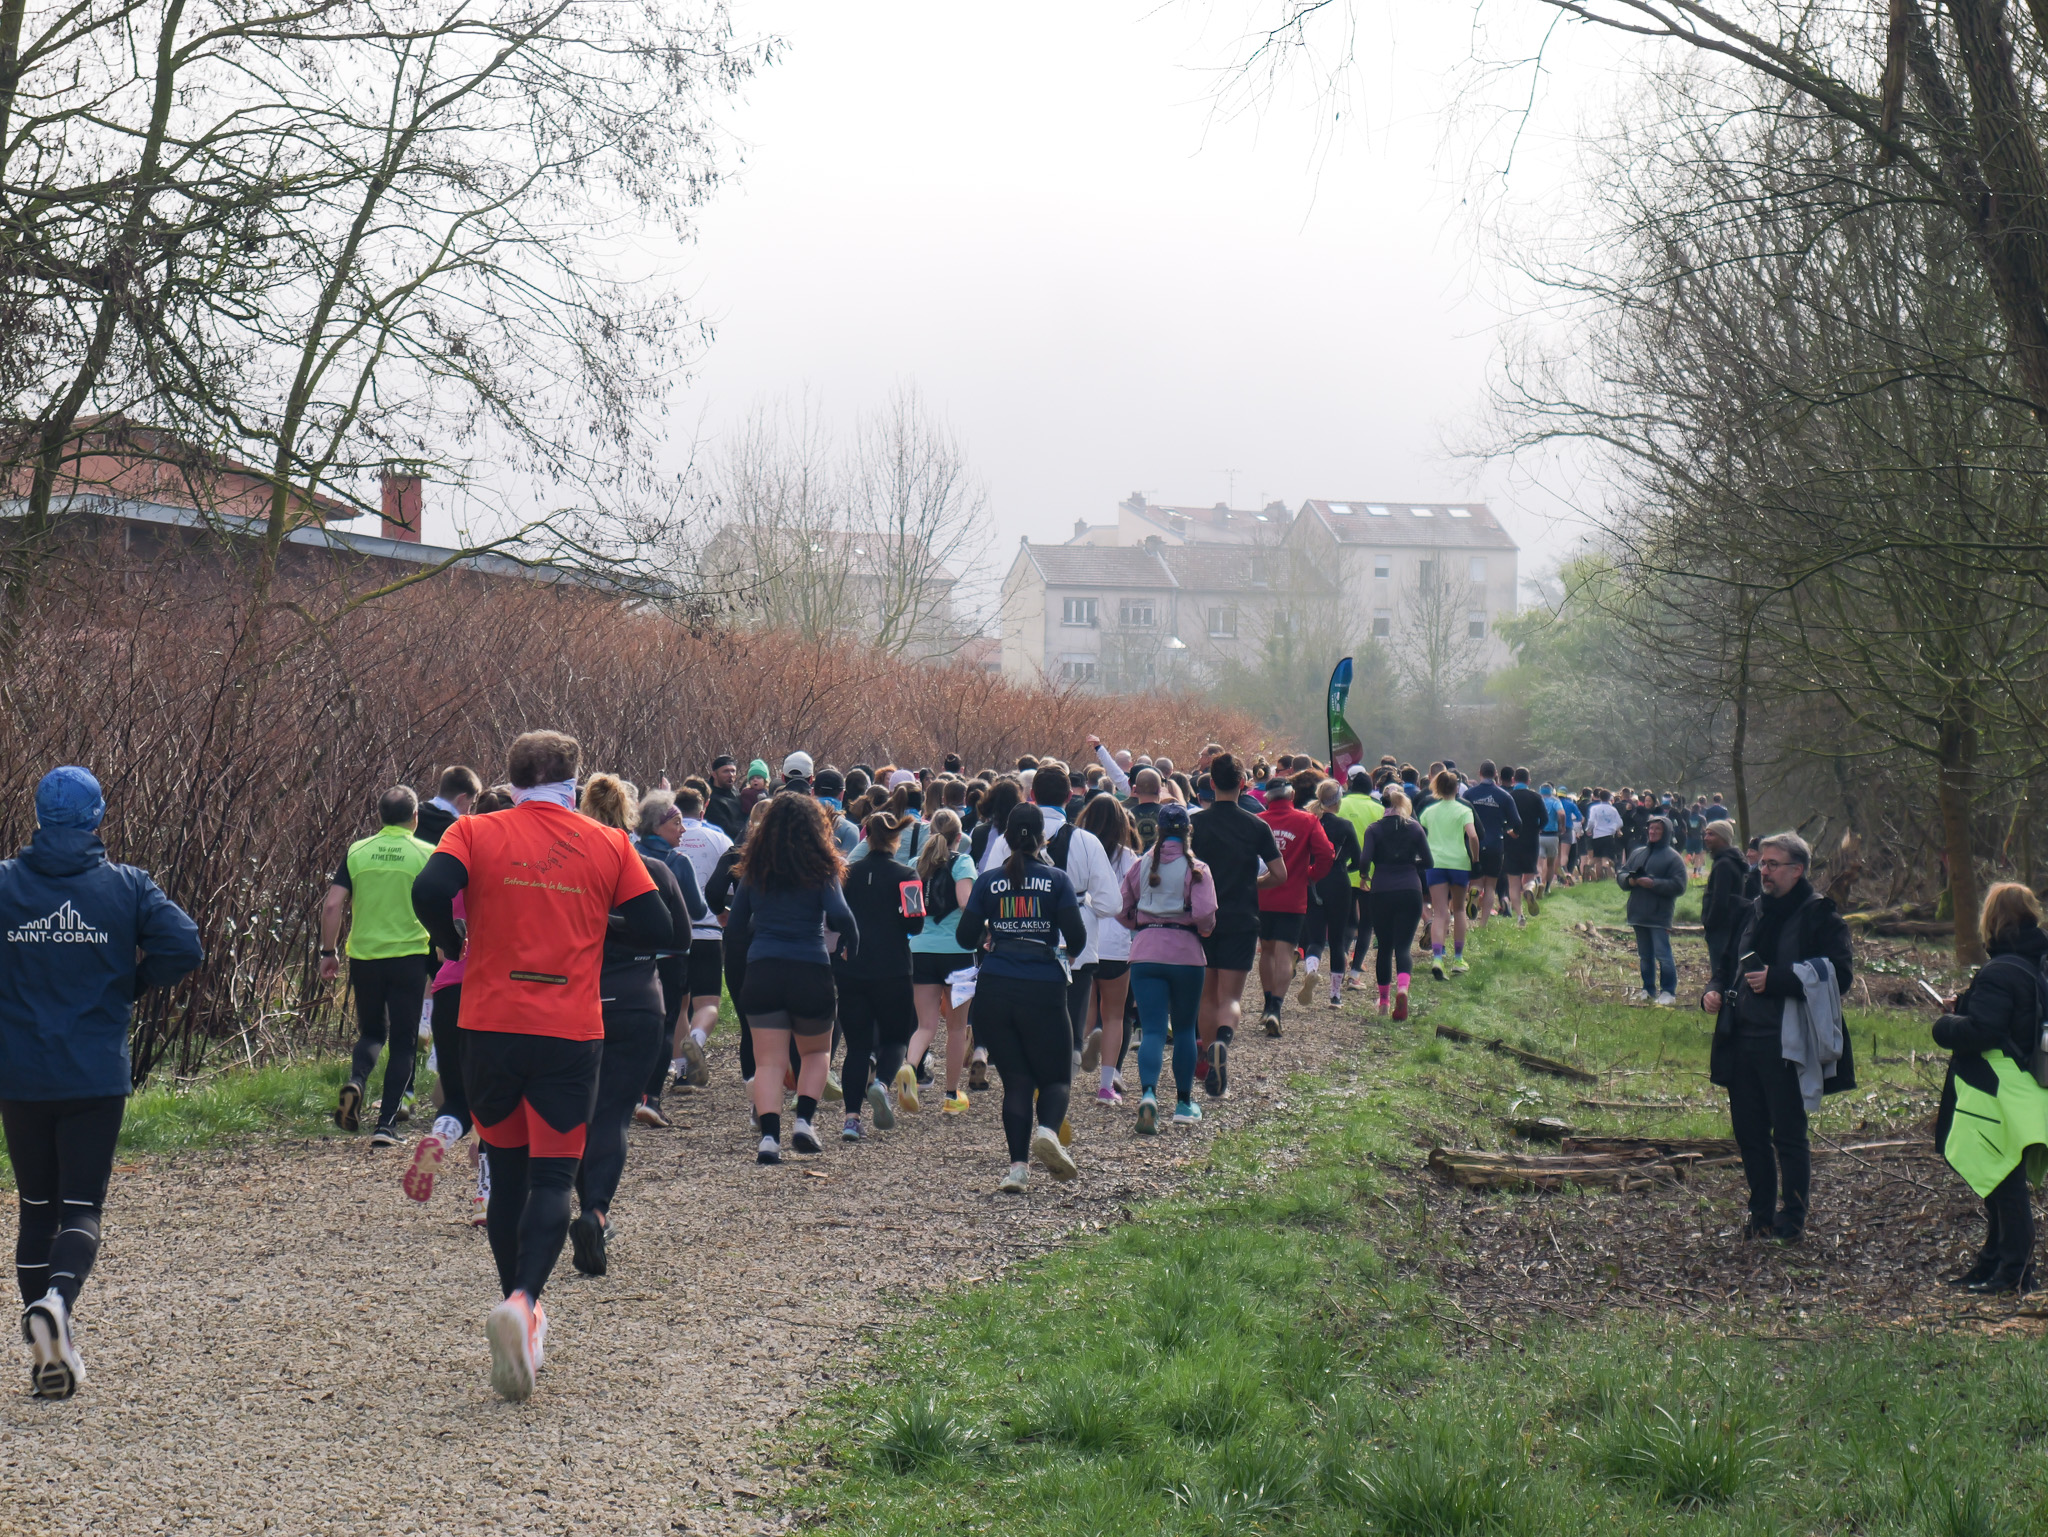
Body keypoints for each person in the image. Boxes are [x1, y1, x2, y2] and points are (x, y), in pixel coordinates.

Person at [411, 729, 672, 1402]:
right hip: (568, 1028)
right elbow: (662, 928)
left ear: (511, 775)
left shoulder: (477, 832)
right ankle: (525, 1301)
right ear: (575, 779)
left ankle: (516, 1307)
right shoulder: (609, 842)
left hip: (490, 1024)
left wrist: (450, 940)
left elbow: (430, 888)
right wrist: (596, 923)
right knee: (556, 1175)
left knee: (508, 1171)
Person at [0, 766, 202, 1399]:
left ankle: (47, 1353)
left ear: (38, 816)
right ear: (96, 819)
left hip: (21, 1071)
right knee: (81, 1208)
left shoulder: (5, 884)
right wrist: (131, 985)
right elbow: (185, 947)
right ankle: (58, 1303)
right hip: (93, 1071)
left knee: (37, 1210)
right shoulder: (127, 888)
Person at [1702, 832, 1855, 1244]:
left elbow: (1840, 976)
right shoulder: (1751, 911)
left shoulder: (1820, 915)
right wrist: (1712, 990)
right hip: (1741, 1039)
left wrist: (1780, 979)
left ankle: (1793, 1219)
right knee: (1749, 1134)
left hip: (1788, 1044)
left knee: (1788, 1134)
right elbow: (1726, 964)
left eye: (1772, 864)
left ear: (1797, 870)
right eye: (1762, 863)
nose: (1762, 871)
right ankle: (1760, 1214)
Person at [569, 775, 690, 1276]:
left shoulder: (569, 868)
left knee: (578, 1116)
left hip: (576, 1001)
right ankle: (597, 1212)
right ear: (632, 815)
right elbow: (680, 938)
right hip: (637, 1000)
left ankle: (585, 1209)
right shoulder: (654, 868)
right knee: (615, 1114)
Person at [954, 804, 1088, 1191]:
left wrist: (992, 937)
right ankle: (1046, 1130)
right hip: (1043, 985)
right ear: (1043, 838)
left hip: (995, 985)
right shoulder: (1056, 880)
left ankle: (1017, 1168)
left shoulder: (989, 880)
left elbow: (965, 938)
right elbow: (1077, 939)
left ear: (1007, 838)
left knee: (1015, 1081)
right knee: (1056, 1076)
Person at [727, 794, 858, 1164]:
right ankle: (804, 1121)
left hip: (763, 968)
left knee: (768, 1061)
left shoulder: (754, 871)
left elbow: (735, 928)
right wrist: (852, 945)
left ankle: (769, 1139)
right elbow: (840, 916)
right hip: (809, 968)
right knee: (816, 1052)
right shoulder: (822, 870)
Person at [1933, 883, 2048, 1294]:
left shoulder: (2000, 969)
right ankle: (1993, 1262)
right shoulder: (2036, 962)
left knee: (2003, 1181)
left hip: (1996, 1086)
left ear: (1991, 919)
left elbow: (1984, 1031)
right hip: (2027, 1085)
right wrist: (1966, 1002)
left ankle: (2013, 1270)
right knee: (2001, 1177)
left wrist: (1943, 1026)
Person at [408, 784, 516, 1218]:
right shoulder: (516, 873)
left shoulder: (458, 872)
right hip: (496, 988)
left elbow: (441, 940)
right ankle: (486, 1196)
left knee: (456, 1096)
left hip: (451, 986)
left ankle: (439, 1140)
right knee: (496, 1100)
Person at [320, 786, 437, 1145]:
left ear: (379, 816)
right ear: (415, 817)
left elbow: (332, 904)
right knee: (403, 1042)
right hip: (409, 958)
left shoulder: (358, 851)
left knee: (372, 1033)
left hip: (365, 957)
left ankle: (356, 1081)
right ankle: (385, 1126)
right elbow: (440, 904)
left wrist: (328, 951)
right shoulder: (427, 853)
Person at [1189, 752, 1284, 1099]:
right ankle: (1224, 1045)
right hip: (1242, 917)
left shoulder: (1195, 825)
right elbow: (1280, 874)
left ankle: (1206, 1053)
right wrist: (1252, 883)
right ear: (1243, 783)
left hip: (1202, 920)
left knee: (1206, 995)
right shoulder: (1257, 825)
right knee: (1230, 997)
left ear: (1211, 784)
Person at [1117, 802, 1217, 1131]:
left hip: (1146, 951)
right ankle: (1184, 1103)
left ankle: (1148, 1095)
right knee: (1186, 1029)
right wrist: (1203, 929)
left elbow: (1122, 908)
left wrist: (1139, 923)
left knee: (1153, 1030)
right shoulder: (1198, 868)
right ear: (1188, 831)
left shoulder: (1141, 865)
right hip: (1186, 953)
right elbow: (1204, 915)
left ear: (1158, 831)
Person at [835, 812, 924, 1140]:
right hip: (893, 967)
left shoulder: (846, 874)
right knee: (897, 1037)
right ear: (895, 839)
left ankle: (851, 1119)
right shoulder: (908, 874)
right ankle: (882, 1085)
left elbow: (834, 918)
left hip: (851, 966)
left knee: (857, 1047)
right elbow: (915, 923)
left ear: (864, 835)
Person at [631, 790, 711, 1126]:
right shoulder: (677, 862)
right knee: (665, 1026)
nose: (682, 830)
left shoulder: (629, 855)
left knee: (633, 1023)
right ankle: (652, 1097)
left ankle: (629, 1095)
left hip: (630, 953)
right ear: (658, 825)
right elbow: (696, 908)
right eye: (676, 823)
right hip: (672, 953)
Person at [906, 809, 977, 1115]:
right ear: (959, 837)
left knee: (925, 1025)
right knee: (957, 1028)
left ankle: (908, 1070)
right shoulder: (963, 862)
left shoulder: (912, 866)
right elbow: (964, 901)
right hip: (958, 952)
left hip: (920, 949)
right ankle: (951, 1095)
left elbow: (911, 913)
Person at [661, 787, 731, 1091]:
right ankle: (696, 1042)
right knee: (708, 1003)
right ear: (703, 810)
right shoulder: (718, 838)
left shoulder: (663, 837)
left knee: (679, 1004)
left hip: (673, 932)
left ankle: (681, 1072)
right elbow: (730, 882)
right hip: (708, 929)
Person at [1253, 775, 1334, 1035]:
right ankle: (1276, 1008)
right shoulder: (1307, 820)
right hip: (1293, 895)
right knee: (1284, 953)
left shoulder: (1258, 821)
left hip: (1261, 894)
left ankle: (1267, 1004)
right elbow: (1327, 854)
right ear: (1291, 796)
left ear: (1267, 798)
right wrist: (1310, 874)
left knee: (1265, 950)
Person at [1077, 793, 1141, 1100]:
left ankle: (1069, 1065)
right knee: (1116, 1015)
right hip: (1117, 943)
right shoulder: (1130, 858)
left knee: (1083, 1011)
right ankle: (1106, 1085)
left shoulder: (1080, 850)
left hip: (1084, 940)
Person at [1355, 788, 1430, 1019]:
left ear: (1382, 803)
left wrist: (1366, 874)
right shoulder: (1415, 827)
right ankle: (1404, 989)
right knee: (1404, 947)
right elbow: (1428, 860)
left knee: (1385, 947)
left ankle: (1384, 1003)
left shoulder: (1374, 829)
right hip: (1410, 889)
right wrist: (1410, 863)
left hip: (1382, 891)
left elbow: (1365, 859)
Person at [1616, 815, 1687, 1005]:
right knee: (1644, 956)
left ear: (1666, 832)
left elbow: (1679, 886)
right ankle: (1647, 989)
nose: (1653, 832)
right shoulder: (1638, 853)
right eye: (1651, 828)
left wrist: (1654, 883)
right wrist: (1629, 881)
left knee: (1663, 955)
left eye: (1658, 829)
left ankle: (1668, 992)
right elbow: (1622, 873)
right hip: (1638, 912)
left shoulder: (1674, 858)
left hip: (1659, 915)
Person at [1302, 778, 1360, 1009]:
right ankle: (1335, 996)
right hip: (1338, 881)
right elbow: (1357, 859)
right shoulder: (1345, 826)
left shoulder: (1308, 821)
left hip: (1312, 880)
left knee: (1315, 938)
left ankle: (1312, 970)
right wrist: (1346, 867)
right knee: (1337, 940)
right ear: (1338, 801)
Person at [1418, 770, 1478, 979]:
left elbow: (1422, 834)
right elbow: (1473, 835)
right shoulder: (1463, 810)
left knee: (1439, 912)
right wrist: (1475, 857)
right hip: (1459, 863)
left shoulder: (1429, 811)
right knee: (1459, 910)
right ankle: (1459, 959)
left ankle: (1437, 958)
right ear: (1456, 788)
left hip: (1435, 863)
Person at [1336, 767, 1383, 988]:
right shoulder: (1379, 809)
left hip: (1342, 870)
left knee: (1347, 920)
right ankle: (1355, 974)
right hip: (1371, 874)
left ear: (1351, 786)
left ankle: (1342, 956)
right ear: (1371, 789)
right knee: (1366, 924)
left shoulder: (1340, 805)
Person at [1460, 761, 1523, 928]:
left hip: (1474, 844)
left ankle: (1474, 892)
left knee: (1476, 880)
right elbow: (1517, 822)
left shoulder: (1469, 794)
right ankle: (1483, 924)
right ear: (1495, 773)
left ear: (1479, 773)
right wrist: (1513, 833)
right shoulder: (1504, 796)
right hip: (1496, 843)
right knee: (1490, 885)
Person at [1699, 819, 1746, 975]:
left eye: (1711, 834)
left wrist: (1710, 924)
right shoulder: (1729, 861)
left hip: (1721, 929)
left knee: (1721, 973)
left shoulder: (1724, 864)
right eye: (1706, 833)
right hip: (1731, 926)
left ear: (1723, 837)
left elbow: (1720, 900)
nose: (1706, 838)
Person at [1506, 768, 1546, 922]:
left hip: (1512, 841)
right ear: (1529, 781)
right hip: (1531, 841)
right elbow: (1545, 819)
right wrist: (1537, 829)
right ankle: (1529, 889)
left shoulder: (1508, 796)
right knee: (1529, 876)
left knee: (1513, 882)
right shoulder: (1536, 797)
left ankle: (1519, 916)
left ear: (1513, 779)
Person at [416, 767, 481, 846]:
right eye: (470, 804)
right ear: (461, 798)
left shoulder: (411, 816)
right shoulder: (457, 832)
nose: (468, 812)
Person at [1583, 790, 1622, 880]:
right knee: (1606, 857)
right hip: (1609, 836)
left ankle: (1587, 870)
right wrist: (1615, 829)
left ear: (1600, 797)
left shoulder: (1595, 808)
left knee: (1596, 857)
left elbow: (1591, 821)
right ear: (1609, 798)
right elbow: (1619, 822)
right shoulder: (1612, 809)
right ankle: (1605, 876)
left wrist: (1588, 830)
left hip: (1597, 836)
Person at [705, 756, 746, 843]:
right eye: (726, 771)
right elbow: (725, 829)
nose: (731, 775)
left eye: (733, 771)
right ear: (715, 775)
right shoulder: (710, 799)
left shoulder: (736, 794)